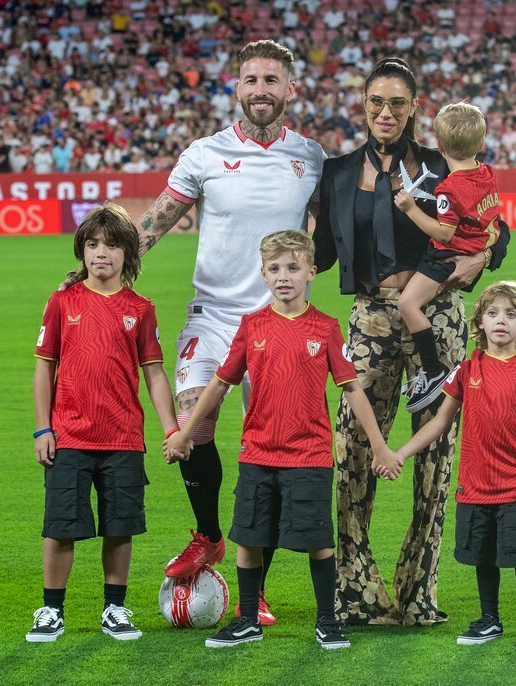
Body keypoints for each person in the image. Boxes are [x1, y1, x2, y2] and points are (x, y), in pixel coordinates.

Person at [85, 39, 325, 625]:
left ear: (290, 89)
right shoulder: (206, 153)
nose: (261, 90)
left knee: (267, 450)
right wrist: (106, 264)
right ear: (236, 88)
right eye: (250, 80)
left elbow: (330, 229)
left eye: (272, 80)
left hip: (279, 321)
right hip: (214, 315)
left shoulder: (311, 158)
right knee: (193, 424)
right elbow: (156, 221)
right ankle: (212, 536)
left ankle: (255, 588)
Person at [313, 57, 511, 626]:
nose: (386, 112)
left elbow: (496, 231)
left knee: (437, 454)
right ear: (363, 105)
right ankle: (357, 592)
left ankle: (417, 593)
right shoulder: (337, 173)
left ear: (415, 108)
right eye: (377, 101)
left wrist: (480, 258)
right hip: (368, 318)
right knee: (351, 449)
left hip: (439, 316)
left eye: (398, 102)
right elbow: (322, 254)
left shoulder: (440, 164)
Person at [165, 231, 395, 649]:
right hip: (258, 454)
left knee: (317, 542)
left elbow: (352, 389)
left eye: (293, 268)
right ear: (263, 274)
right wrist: (184, 433)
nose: (283, 276)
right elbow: (219, 383)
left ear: (311, 272)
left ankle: (328, 621)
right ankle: (248, 620)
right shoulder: (252, 326)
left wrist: (379, 445)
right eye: (275, 269)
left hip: (308, 456)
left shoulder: (324, 328)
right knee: (249, 539)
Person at [391, 281, 516, 648]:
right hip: (475, 486)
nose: (501, 321)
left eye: (511, 314)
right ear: (480, 322)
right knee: (483, 557)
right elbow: (440, 422)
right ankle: (489, 620)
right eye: (492, 313)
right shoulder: (466, 369)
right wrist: (401, 452)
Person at [27, 204, 178, 643]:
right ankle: (51, 610)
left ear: (128, 254)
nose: (101, 254)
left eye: (111, 246)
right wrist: (42, 428)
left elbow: (154, 372)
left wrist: (171, 428)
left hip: (123, 438)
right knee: (60, 525)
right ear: (81, 250)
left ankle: (114, 607)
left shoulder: (141, 308)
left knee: (120, 525)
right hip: (69, 435)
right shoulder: (62, 301)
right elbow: (43, 367)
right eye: (92, 245)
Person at [394, 102, 506, 412]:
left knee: (407, 304)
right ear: (481, 144)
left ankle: (432, 371)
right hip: (471, 252)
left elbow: (443, 233)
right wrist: (488, 243)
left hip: (445, 257)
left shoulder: (449, 189)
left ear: (440, 146)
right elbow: (492, 218)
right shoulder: (487, 173)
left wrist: (410, 208)